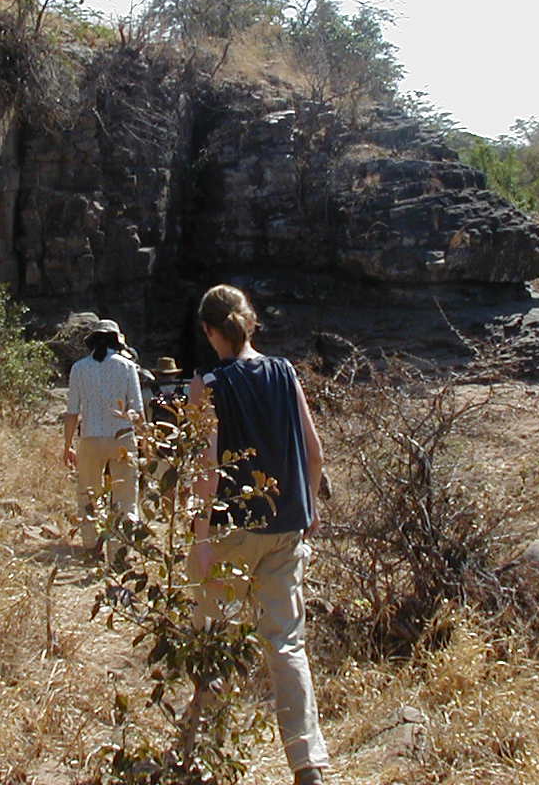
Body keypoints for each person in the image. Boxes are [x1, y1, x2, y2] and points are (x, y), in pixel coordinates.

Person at [187, 284, 329, 785]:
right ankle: (306, 760)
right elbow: (314, 451)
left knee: (213, 636)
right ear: (250, 324)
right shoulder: (285, 373)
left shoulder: (207, 385)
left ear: (209, 332)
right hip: (287, 524)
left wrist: (200, 539)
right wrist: (307, 507)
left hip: (230, 529)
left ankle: (202, 750)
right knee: (287, 644)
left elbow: (204, 468)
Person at [63, 319, 144, 559]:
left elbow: (72, 412)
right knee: (126, 496)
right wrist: (146, 442)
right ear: (116, 341)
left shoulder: (79, 368)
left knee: (88, 493)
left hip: (90, 438)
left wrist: (67, 446)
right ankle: (120, 552)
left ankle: (91, 546)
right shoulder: (128, 367)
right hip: (122, 438)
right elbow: (137, 411)